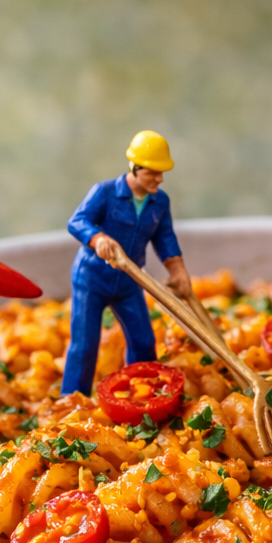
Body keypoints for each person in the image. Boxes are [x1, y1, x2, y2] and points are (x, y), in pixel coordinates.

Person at [63, 131, 192, 397]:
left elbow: (165, 237)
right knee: (85, 344)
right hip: (92, 278)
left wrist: (177, 269)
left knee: (143, 340)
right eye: (153, 173)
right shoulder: (105, 192)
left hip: (131, 280)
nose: (160, 179)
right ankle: (71, 400)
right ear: (134, 167)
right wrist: (97, 239)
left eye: (162, 172)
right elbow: (77, 221)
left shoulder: (160, 201)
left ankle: (143, 396)